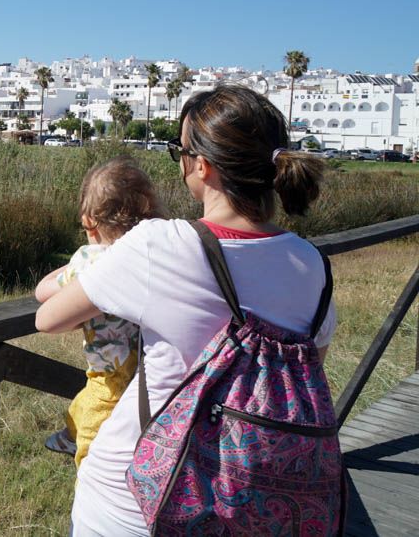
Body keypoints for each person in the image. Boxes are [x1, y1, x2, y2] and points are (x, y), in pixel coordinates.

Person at [36, 86, 334, 536]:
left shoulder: (163, 245)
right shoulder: (313, 266)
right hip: (245, 504)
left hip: (133, 501)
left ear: (202, 165)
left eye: (180, 150)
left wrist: (90, 258)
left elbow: (49, 318)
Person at [35, 158, 164, 471]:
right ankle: (71, 433)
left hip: (110, 381)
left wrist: (74, 267)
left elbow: (43, 293)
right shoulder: (158, 252)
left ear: (89, 222)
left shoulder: (92, 262)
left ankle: (83, 463)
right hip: (152, 379)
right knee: (87, 407)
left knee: (93, 436)